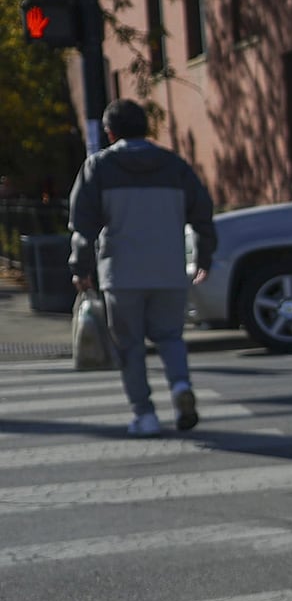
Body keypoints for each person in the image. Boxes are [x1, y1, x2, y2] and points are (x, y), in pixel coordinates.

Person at [68, 98, 217, 437]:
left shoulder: (98, 168)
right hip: (168, 269)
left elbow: (82, 226)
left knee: (130, 346)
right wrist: (203, 258)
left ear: (110, 133)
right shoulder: (174, 166)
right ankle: (180, 386)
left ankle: (145, 415)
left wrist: (81, 267)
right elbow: (203, 216)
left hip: (121, 273)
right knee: (170, 337)